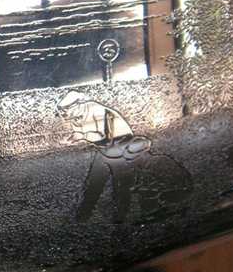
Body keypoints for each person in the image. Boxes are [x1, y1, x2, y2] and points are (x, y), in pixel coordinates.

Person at [56, 90, 191, 222]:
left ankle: (120, 217)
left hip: (121, 145)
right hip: (104, 149)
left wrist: (82, 136)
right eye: (62, 111)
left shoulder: (96, 109)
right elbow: (84, 136)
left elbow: (104, 137)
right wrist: (72, 139)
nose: (64, 114)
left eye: (66, 109)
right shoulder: (75, 117)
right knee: (94, 182)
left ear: (78, 104)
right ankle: (82, 216)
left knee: (121, 184)